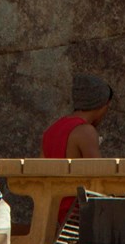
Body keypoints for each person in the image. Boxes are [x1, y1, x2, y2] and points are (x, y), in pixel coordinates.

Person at [41, 74, 113, 223]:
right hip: (76, 214)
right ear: (103, 105)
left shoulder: (51, 130)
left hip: (52, 213)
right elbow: (99, 176)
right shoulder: (85, 131)